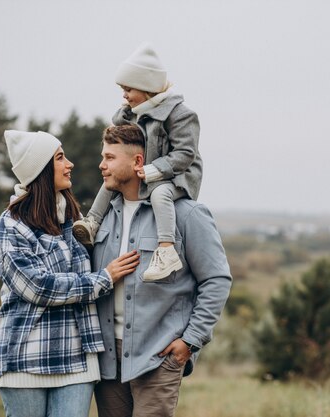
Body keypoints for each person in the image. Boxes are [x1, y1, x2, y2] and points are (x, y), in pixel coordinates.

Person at [0, 129, 140, 417]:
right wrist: (103, 279)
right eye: (60, 158)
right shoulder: (12, 224)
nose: (70, 164)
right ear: (42, 169)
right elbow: (37, 287)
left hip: (77, 360)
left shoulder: (73, 221)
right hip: (25, 358)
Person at [91, 124, 231, 417]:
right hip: (107, 358)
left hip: (157, 356)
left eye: (110, 157)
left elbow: (216, 280)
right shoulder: (102, 217)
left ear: (138, 162)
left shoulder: (186, 214)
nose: (101, 165)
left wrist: (189, 341)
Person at [73, 42, 203, 282]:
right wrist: (122, 115)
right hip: (147, 168)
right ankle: (92, 222)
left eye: (128, 89)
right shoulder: (138, 110)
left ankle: (166, 249)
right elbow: (120, 126)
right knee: (110, 182)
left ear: (147, 87)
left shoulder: (181, 114)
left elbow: (186, 153)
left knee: (160, 195)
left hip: (178, 174)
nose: (124, 95)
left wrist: (155, 170)